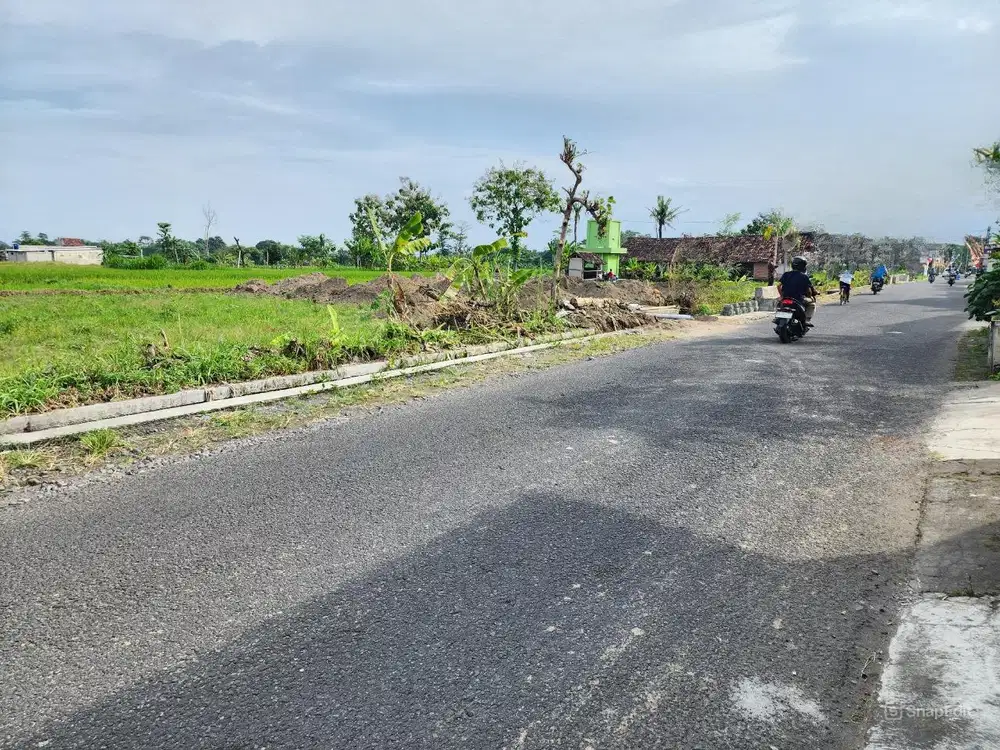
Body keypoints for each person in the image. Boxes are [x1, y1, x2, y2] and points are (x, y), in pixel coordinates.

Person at [777, 256, 818, 326]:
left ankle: (778, 318)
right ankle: (806, 320)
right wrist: (810, 296)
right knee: (812, 304)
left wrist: (781, 296)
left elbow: (778, 286)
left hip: (786, 298)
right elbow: (809, 291)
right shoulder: (804, 276)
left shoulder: (786, 274)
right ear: (803, 266)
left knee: (780, 305)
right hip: (798, 299)